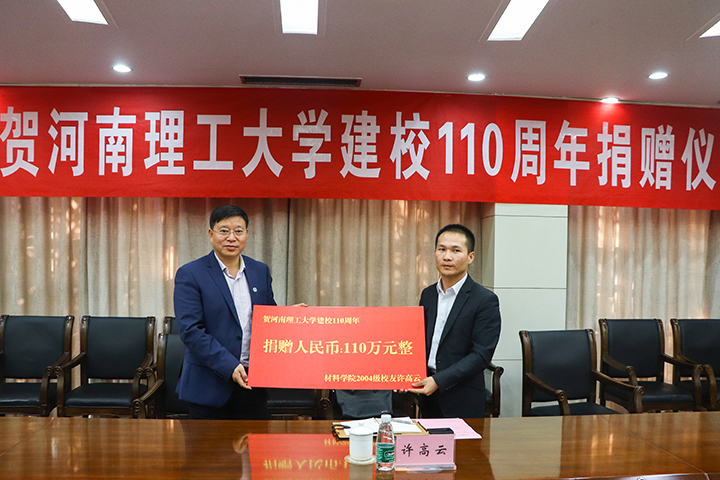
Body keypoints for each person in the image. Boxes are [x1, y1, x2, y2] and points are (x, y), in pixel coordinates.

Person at [173, 204, 276, 419]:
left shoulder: (260, 271)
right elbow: (191, 331)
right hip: (208, 386)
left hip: (252, 384)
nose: (232, 237)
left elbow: (267, 318)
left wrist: (290, 319)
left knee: (253, 441)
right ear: (211, 234)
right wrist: (230, 366)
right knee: (208, 443)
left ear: (246, 234)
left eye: (238, 231)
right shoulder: (191, 274)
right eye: (224, 231)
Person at [408, 224, 501, 418]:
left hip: (462, 397)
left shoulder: (484, 299)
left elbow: (481, 355)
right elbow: (419, 341)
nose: (447, 257)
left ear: (470, 257)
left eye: (456, 251)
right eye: (441, 249)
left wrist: (439, 381)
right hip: (427, 394)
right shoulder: (428, 294)